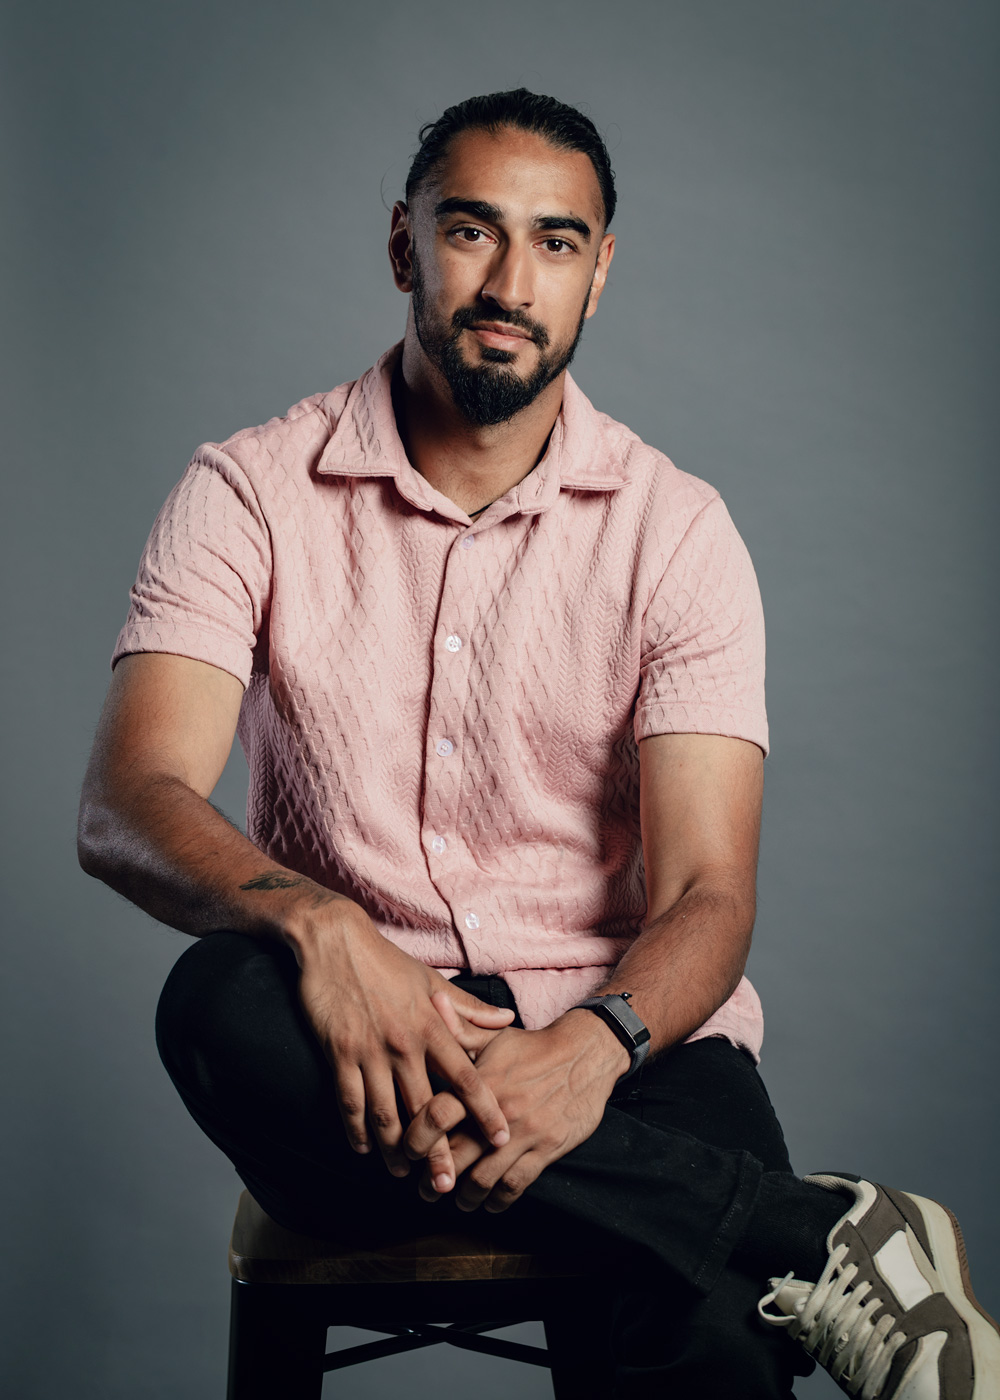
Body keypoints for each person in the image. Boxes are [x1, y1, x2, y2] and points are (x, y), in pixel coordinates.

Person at [77, 89, 999, 1398]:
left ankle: (697, 1219)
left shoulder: (677, 531)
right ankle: (811, 1231)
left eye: (557, 242)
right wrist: (327, 932)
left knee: (712, 1344)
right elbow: (128, 798)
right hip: (358, 1059)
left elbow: (705, 895)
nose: (511, 281)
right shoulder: (245, 491)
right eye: (472, 231)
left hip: (628, 1041)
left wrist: (592, 1049)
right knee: (219, 1003)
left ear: (600, 272)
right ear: (403, 245)